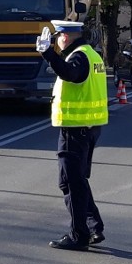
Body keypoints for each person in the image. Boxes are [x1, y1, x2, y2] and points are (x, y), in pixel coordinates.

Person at [36, 19, 108, 251]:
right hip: (89, 126)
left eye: (58, 37)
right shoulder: (92, 54)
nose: (57, 40)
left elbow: (70, 74)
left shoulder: (78, 56)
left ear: (66, 37)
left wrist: (48, 53)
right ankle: (93, 226)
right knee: (77, 180)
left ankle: (79, 236)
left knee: (70, 183)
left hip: (75, 129)